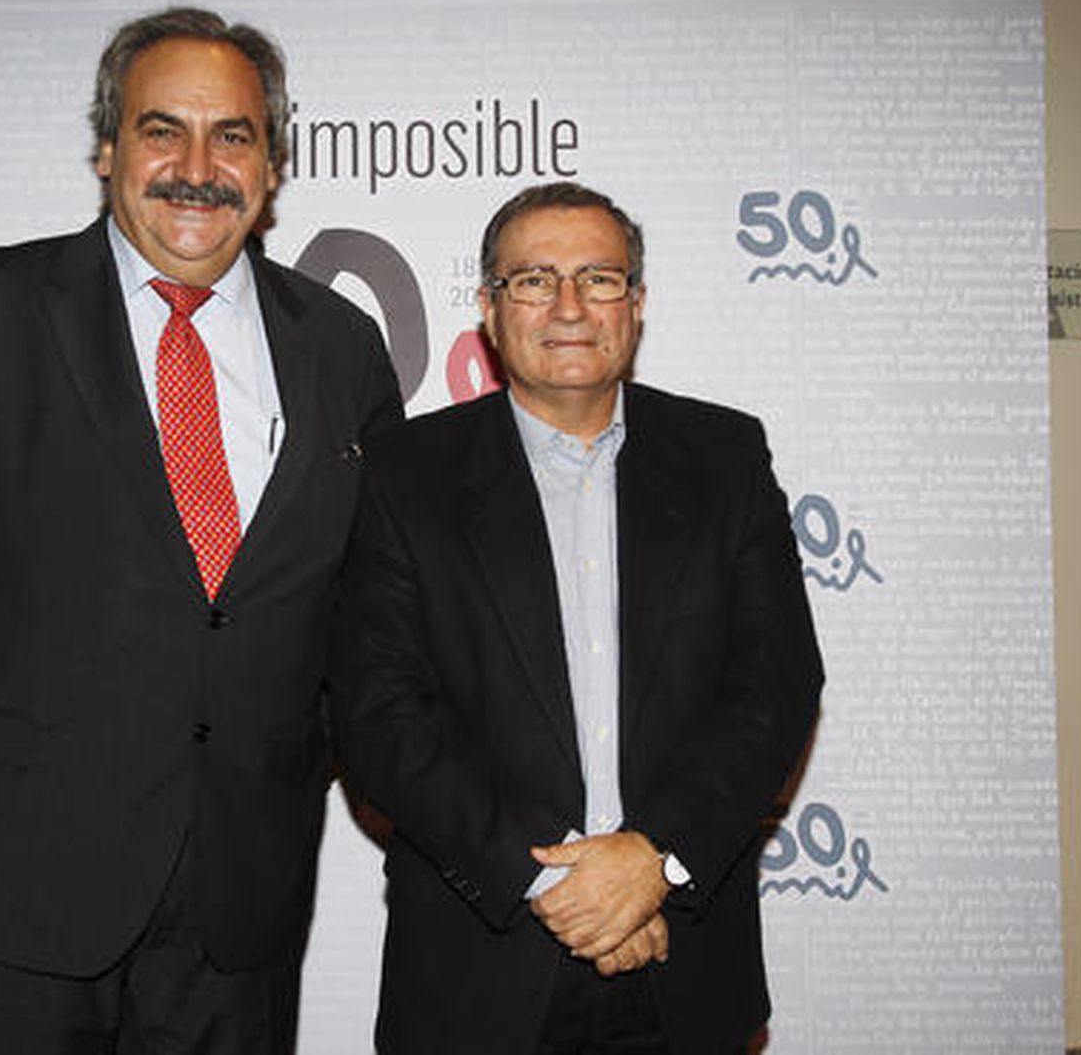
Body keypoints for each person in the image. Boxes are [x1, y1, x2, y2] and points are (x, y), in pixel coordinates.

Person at [0, 7, 403, 1054]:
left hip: (242, 910)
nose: (196, 168)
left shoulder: (341, 347)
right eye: (161, 130)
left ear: (271, 165)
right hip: (15, 905)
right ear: (107, 148)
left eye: (232, 136)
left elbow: (373, 614)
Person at [329, 181, 823, 1054]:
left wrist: (654, 860)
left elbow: (774, 688)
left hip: (685, 961)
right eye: (533, 280)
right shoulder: (405, 472)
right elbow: (379, 716)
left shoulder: (726, 457)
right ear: (489, 309)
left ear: (637, 302)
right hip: (477, 973)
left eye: (599, 278)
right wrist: (563, 884)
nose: (569, 306)